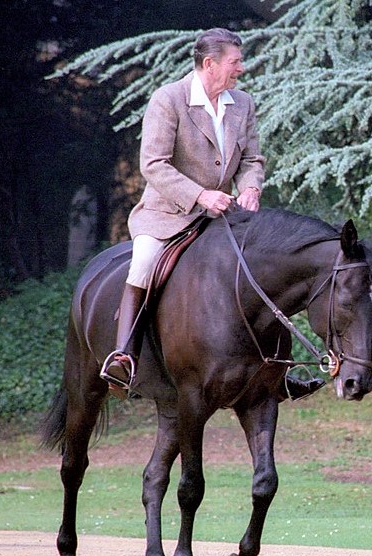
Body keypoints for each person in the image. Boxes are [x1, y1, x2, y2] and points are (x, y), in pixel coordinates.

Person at [100, 28, 322, 400]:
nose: (241, 69)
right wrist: (201, 195)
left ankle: (280, 370)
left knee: (265, 272)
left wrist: (251, 186)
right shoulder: (168, 100)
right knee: (143, 263)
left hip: (224, 217)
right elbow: (153, 164)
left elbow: (251, 159)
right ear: (210, 64)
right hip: (168, 214)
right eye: (235, 62)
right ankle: (124, 355)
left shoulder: (243, 104)